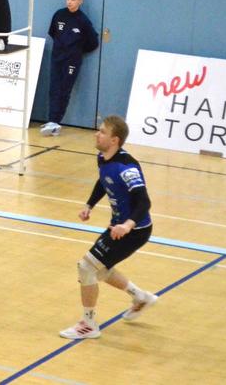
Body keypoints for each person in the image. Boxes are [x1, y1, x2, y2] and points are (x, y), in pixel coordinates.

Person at [59, 115, 159, 340]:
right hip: (118, 227)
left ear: (115, 140)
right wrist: (89, 205)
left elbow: (144, 202)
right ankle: (140, 297)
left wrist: (127, 225)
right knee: (100, 269)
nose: (97, 134)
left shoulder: (127, 168)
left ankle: (88, 324)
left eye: (103, 132)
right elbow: (103, 181)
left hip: (134, 231)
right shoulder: (103, 158)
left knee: (86, 267)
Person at [41, 0, 99, 136]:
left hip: (72, 61)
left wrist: (76, 50)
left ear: (80, 1)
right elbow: (53, 33)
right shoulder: (59, 15)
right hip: (57, 58)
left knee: (64, 90)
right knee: (54, 89)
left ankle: (56, 121)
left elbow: (93, 42)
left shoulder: (83, 20)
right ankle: (52, 120)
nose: (69, 2)